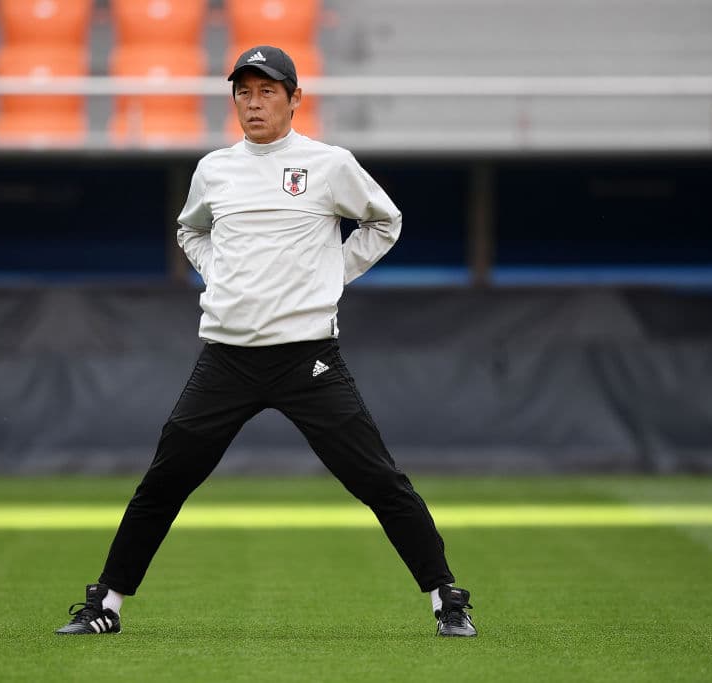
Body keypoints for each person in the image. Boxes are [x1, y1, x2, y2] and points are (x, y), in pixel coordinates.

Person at [56, 45, 476, 638]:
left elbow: (386, 221)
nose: (253, 104)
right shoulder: (214, 169)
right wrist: (219, 274)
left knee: (378, 481)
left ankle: (447, 601)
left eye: (267, 92)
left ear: (295, 98)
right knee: (164, 482)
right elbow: (189, 228)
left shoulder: (329, 164)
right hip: (225, 360)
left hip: (307, 359)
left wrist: (333, 273)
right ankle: (106, 605)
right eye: (243, 93)